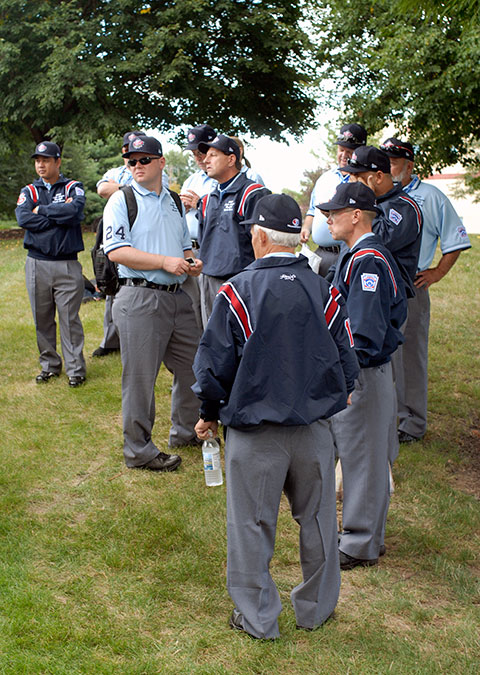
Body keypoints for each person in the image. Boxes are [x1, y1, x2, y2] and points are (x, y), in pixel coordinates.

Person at [193, 194, 359, 639]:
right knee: (320, 522)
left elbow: (213, 367)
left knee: (250, 526)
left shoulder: (236, 290)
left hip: (255, 432)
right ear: (299, 235)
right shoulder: (324, 288)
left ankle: (258, 618)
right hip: (313, 430)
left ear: (259, 236)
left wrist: (208, 413)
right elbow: (347, 356)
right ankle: (316, 611)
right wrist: (338, 395)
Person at [317, 182, 407, 570]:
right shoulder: (357, 254)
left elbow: (365, 331)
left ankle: (359, 542)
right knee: (361, 456)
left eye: (334, 212)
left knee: (363, 459)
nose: (328, 218)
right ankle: (367, 534)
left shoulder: (367, 258)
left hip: (363, 373)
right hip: (365, 373)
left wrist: (348, 377)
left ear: (356, 215)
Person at [103, 135, 203, 471]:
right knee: (141, 378)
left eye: (144, 160)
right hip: (139, 297)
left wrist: (190, 260)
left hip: (178, 296)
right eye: (131, 162)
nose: (136, 167)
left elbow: (182, 243)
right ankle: (139, 451)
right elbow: (116, 251)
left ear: (161, 163)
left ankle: (186, 431)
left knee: (194, 366)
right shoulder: (121, 200)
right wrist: (163, 262)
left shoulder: (174, 200)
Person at [380, 137, 471, 442]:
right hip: (378, 284)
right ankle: (386, 417)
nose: (388, 167)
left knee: (410, 356)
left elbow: (456, 239)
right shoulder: (378, 195)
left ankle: (412, 423)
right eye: (385, 161)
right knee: (382, 354)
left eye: (393, 162)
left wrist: (438, 272)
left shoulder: (429, 197)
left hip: (411, 285)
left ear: (409, 165)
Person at [15, 141, 87, 387]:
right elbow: (23, 218)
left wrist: (42, 211)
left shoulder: (72, 187)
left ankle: (76, 369)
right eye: (37, 161)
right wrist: (58, 216)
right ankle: (49, 366)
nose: (41, 165)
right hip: (37, 263)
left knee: (70, 319)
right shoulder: (29, 191)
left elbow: (75, 212)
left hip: (67, 264)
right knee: (42, 318)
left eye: (46, 160)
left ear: (58, 162)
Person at [93, 130, 167, 357]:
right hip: (115, 233)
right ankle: (110, 340)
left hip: (142, 236)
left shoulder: (150, 173)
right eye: (128, 151)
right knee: (111, 285)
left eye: (142, 158)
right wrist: (131, 191)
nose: (134, 161)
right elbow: (102, 188)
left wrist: (123, 190)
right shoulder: (116, 171)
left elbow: (153, 190)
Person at [195, 134, 270, 327]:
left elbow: (264, 244)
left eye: (213, 155)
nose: (206, 160)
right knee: (214, 338)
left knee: (244, 338)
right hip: (209, 279)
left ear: (231, 159)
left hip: (242, 281)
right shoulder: (206, 200)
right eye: (206, 155)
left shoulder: (253, 194)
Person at [341, 145, 423, 299]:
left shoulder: (404, 207)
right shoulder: (367, 203)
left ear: (378, 177)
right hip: (356, 290)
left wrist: (364, 199)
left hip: (385, 298)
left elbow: (373, 241)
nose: (351, 181)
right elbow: (347, 247)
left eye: (357, 175)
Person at [301, 123, 367, 276]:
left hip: (346, 253)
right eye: (341, 150)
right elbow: (312, 211)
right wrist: (306, 228)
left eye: (349, 151)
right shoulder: (325, 178)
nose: (344, 155)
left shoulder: (362, 180)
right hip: (320, 254)